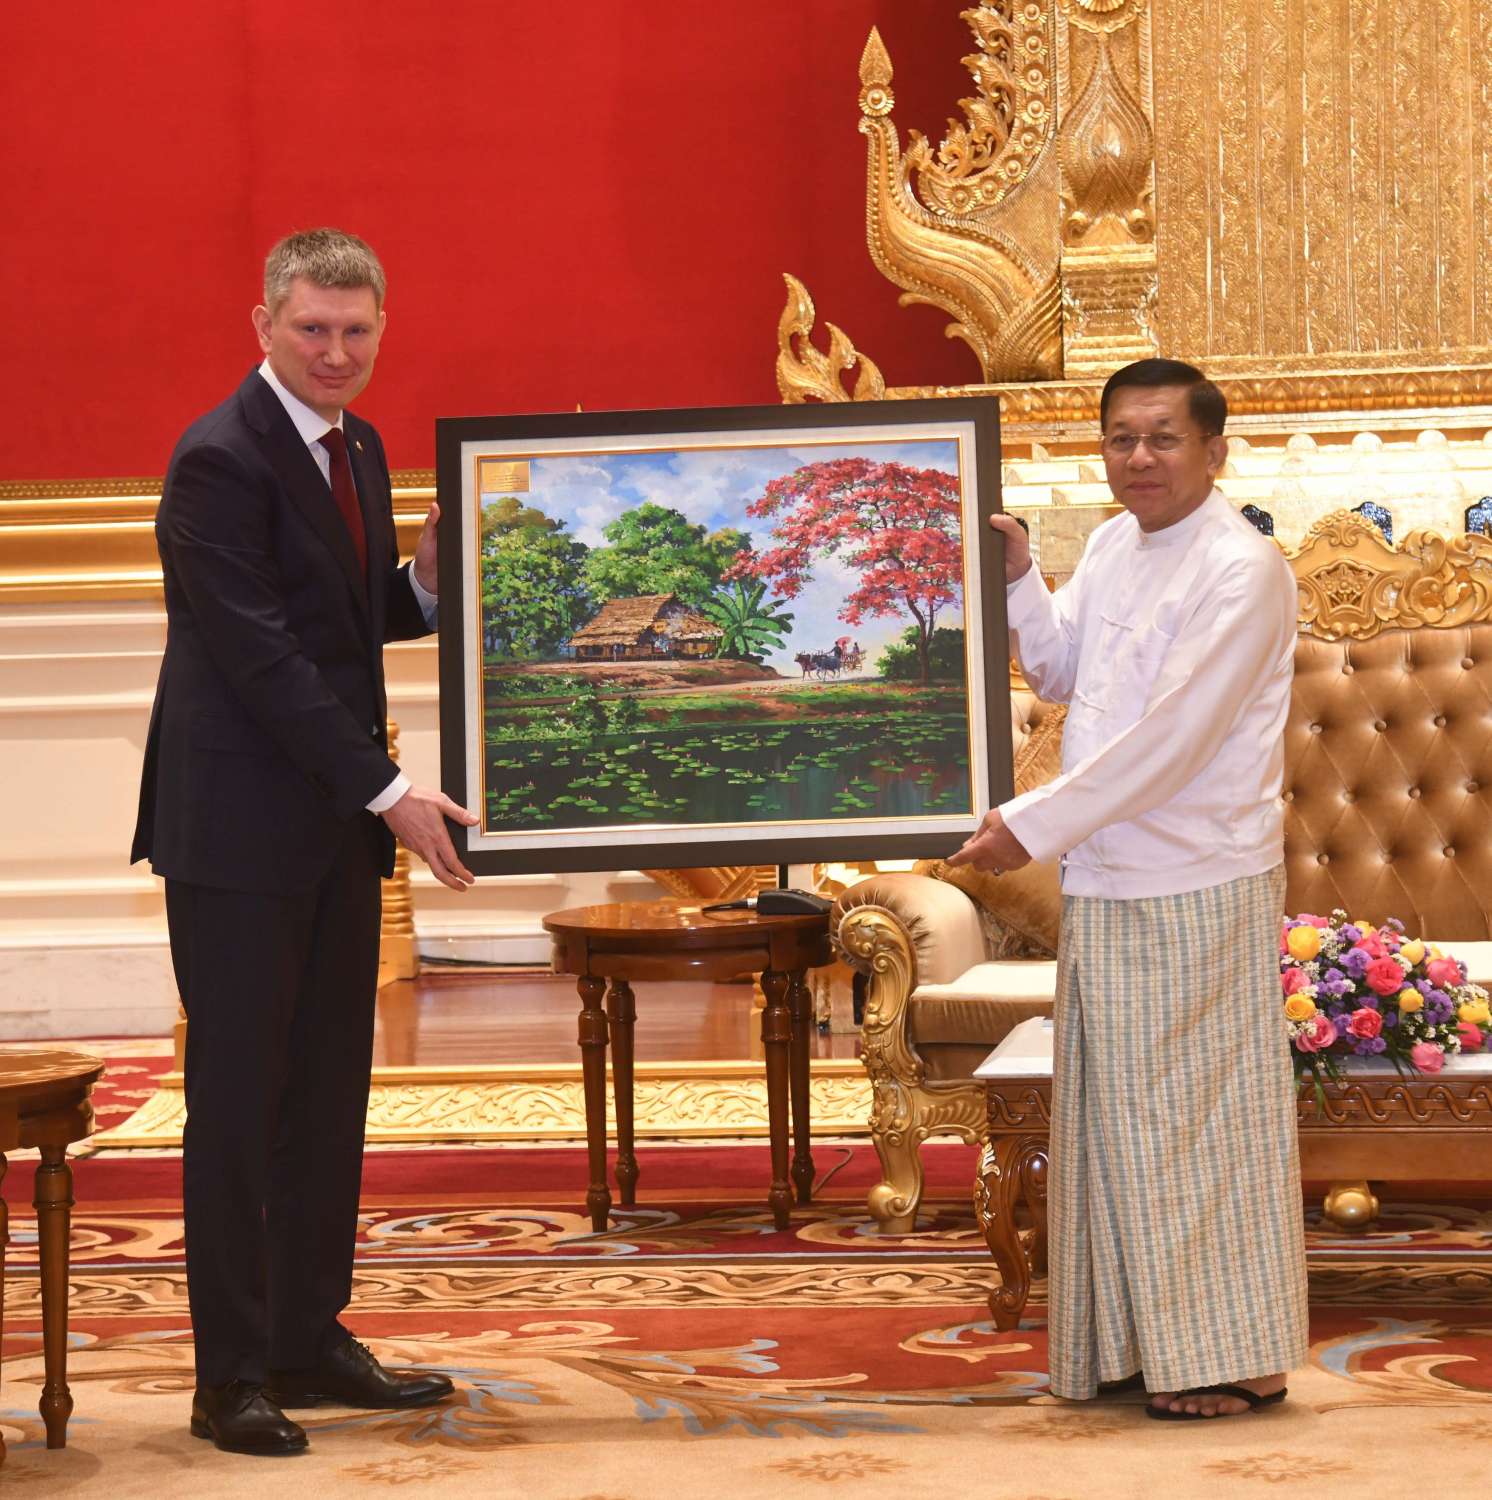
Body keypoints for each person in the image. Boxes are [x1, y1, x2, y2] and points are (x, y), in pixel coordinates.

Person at [132, 229, 480, 1455]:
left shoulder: (360, 445)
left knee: (327, 1095)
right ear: (264, 326)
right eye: (312, 329)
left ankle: (305, 1337)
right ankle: (228, 1376)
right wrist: (394, 794)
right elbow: (263, 660)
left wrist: (422, 582)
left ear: (380, 330)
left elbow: (340, 617)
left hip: (329, 827)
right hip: (235, 836)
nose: (336, 352)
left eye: (355, 331)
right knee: (239, 1104)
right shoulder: (217, 460)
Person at [950, 357, 1308, 1421]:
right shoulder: (1113, 542)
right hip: (1107, 878)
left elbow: (1173, 741)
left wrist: (1028, 826)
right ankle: (1130, 1341)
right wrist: (1019, 576)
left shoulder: (1242, 570)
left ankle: (1236, 1357)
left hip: (1197, 875)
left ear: (1214, 450)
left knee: (1200, 1124)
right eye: (1120, 438)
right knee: (1114, 1120)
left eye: (1162, 438)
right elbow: (1063, 675)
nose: (1139, 458)